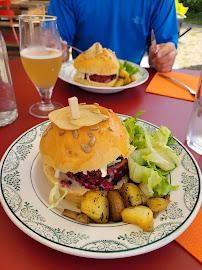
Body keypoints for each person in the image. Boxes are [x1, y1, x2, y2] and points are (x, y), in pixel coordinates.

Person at [48, 0, 178, 72]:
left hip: (132, 85)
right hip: (80, 84)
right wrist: (57, 52)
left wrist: (162, 58)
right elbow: (58, 48)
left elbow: (160, 55)